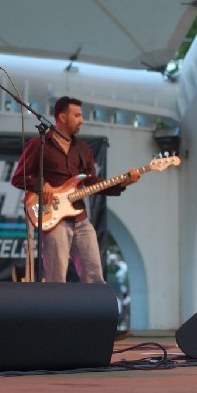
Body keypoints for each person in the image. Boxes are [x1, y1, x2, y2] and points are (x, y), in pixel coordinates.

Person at [11, 96, 140, 283]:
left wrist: (124, 182)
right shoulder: (39, 144)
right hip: (53, 220)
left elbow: (93, 183)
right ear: (62, 117)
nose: (82, 120)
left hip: (81, 219)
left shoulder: (83, 149)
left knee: (95, 276)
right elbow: (17, 177)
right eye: (77, 115)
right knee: (57, 280)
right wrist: (41, 185)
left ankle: (94, 312)